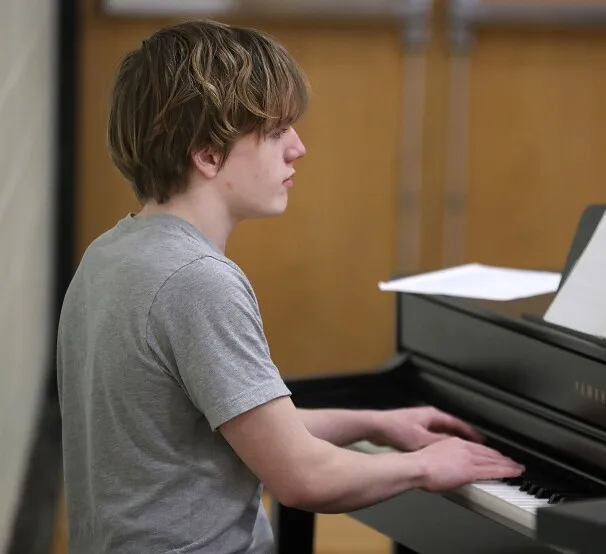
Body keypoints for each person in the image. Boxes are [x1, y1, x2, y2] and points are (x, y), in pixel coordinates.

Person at [56, 18, 523, 554]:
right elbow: (303, 477)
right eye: (276, 132)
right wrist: (425, 465)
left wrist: (379, 423)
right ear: (207, 154)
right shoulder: (196, 282)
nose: (297, 148)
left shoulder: (112, 254)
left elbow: (245, 429)